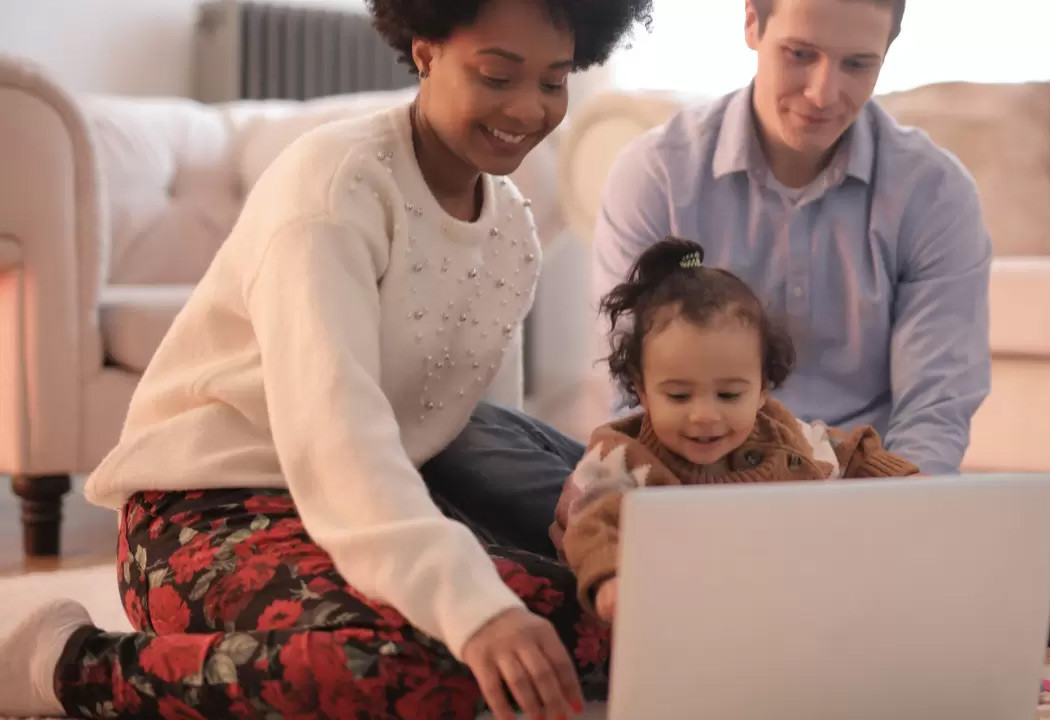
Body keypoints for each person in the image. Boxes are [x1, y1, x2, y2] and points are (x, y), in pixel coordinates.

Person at [0, 0, 652, 718]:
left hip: (369, 514)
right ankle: (67, 662)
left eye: (554, 82)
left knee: (611, 625)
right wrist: (477, 609)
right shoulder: (336, 183)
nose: (528, 108)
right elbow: (335, 437)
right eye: (498, 75)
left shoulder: (513, 232)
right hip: (203, 517)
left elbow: (467, 437)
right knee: (404, 666)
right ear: (427, 46)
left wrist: (557, 540)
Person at [586, 0, 1050, 643]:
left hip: (863, 498)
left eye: (858, 63)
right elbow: (627, 388)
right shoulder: (658, 173)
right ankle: (862, 619)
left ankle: (757, 614)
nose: (823, 93)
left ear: (889, 48)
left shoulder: (933, 191)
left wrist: (879, 527)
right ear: (753, 23)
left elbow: (937, 406)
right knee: (505, 456)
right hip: (688, 491)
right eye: (800, 54)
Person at [549, 237, 921, 620]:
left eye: (728, 395)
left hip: (781, 604)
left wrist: (907, 483)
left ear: (762, 390)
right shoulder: (619, 457)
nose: (705, 416)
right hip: (670, 612)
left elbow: (850, 452)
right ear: (642, 389)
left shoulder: (782, 436)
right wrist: (611, 576)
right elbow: (591, 520)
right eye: (678, 396)